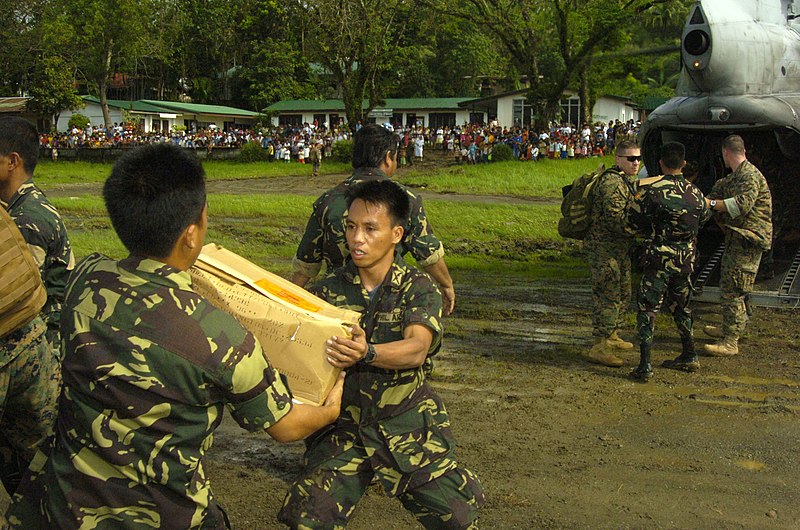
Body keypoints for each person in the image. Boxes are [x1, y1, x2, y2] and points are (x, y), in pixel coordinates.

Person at [5, 143, 343, 529]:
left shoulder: (87, 278)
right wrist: (331, 406)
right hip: (164, 514)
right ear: (192, 232)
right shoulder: (225, 337)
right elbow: (287, 427)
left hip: (65, 506)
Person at [279, 180, 484, 529]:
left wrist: (367, 352)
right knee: (307, 519)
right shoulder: (325, 292)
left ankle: (456, 483)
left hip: (405, 424)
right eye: (351, 227)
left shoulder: (418, 288)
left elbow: (416, 348)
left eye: (370, 228)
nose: (357, 238)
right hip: (343, 430)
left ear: (397, 234)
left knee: (457, 518)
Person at [292, 123, 456, 315]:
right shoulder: (405, 199)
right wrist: (447, 285)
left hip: (336, 302)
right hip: (388, 304)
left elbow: (306, 264)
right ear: (388, 157)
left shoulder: (327, 200)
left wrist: (287, 298)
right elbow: (428, 253)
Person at [628, 142, 711, 381]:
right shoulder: (696, 193)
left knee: (648, 307)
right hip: (685, 259)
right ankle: (689, 353)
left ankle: (645, 365)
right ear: (683, 164)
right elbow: (703, 219)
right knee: (682, 306)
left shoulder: (652, 191)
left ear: (662, 163)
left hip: (658, 260)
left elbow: (635, 220)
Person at [0, 117, 75, 358]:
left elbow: (14, 299)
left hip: (42, 344)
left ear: (12, 161)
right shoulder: (22, 204)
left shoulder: (28, 219)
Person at [702, 135, 773, 356]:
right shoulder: (735, 178)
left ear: (725, 152)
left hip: (748, 241)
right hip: (738, 239)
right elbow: (716, 195)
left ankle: (731, 342)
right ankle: (730, 327)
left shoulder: (749, 176)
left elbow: (740, 206)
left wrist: (710, 203)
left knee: (734, 289)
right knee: (732, 285)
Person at [583, 140, 641, 367]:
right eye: (631, 159)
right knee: (608, 296)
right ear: (618, 160)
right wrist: (641, 229)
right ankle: (600, 346)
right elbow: (615, 219)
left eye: (638, 158)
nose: (636, 163)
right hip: (604, 249)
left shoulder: (626, 181)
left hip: (619, 249)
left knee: (623, 292)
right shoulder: (612, 183)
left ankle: (612, 335)